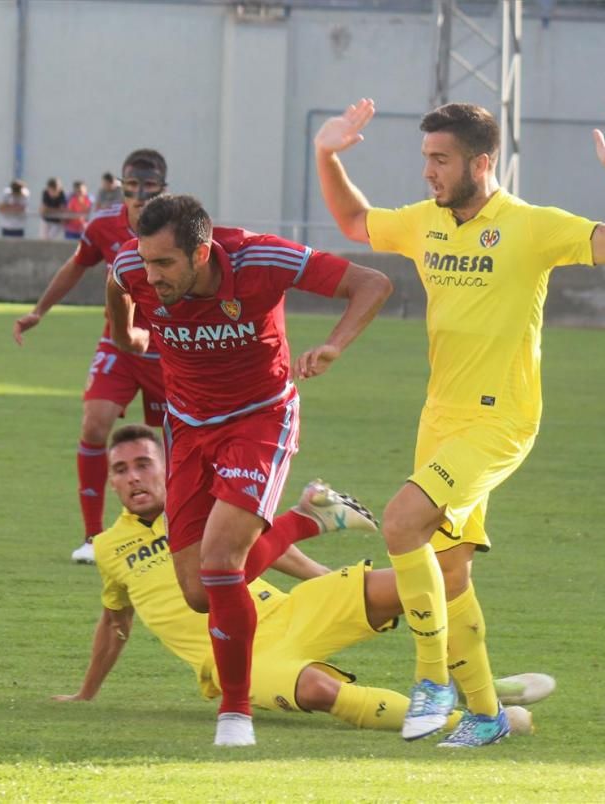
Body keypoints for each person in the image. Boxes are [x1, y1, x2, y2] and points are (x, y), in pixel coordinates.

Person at [313, 99, 605, 747]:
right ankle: (485, 715)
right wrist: (326, 155)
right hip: (439, 418)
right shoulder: (425, 224)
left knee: (400, 520)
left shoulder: (531, 226)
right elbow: (355, 220)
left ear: (481, 162)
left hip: (500, 422)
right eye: (425, 160)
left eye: (440, 160)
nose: (428, 173)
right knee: (449, 573)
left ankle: (431, 679)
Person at [106, 194, 394, 747]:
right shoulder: (132, 269)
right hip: (187, 425)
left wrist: (335, 344)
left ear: (203, 252)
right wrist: (126, 335)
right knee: (197, 593)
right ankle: (310, 517)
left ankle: (235, 715)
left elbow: (371, 282)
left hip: (260, 420)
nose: (152, 275)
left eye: (164, 263)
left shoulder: (262, 261)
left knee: (220, 566)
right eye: (146, 261)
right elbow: (117, 285)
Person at [53, 425, 553, 742]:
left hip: (287, 610)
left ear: (165, 468)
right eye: (121, 470)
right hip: (238, 656)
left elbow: (266, 551)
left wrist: (329, 583)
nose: (134, 477)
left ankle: (481, 690)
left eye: (144, 464)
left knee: (426, 582)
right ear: (111, 482)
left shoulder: (199, 511)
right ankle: (471, 719)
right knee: (317, 690)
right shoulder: (106, 548)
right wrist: (86, 694)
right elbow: (114, 622)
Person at [13, 149, 170, 565]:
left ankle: (174, 528)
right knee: (94, 422)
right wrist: (38, 311)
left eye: (148, 186)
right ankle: (92, 536)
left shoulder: (180, 228)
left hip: (168, 348)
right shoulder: (104, 224)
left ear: (162, 189)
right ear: (121, 186)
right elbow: (75, 266)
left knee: (175, 441)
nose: (139, 194)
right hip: (118, 343)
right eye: (131, 186)